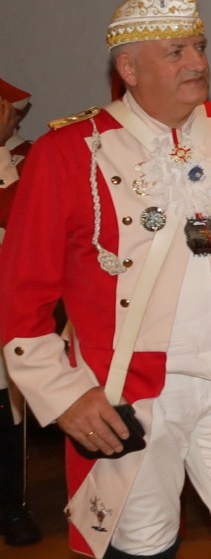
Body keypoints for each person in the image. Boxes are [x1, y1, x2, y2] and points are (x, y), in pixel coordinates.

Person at [0, 0, 211, 559]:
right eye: (175, 52)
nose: (196, 62)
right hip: (129, 392)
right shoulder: (69, 151)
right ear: (128, 69)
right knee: (140, 545)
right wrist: (63, 394)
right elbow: (21, 293)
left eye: (199, 47)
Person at [0, 77, 41, 549]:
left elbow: (13, 212)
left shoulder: (31, 158)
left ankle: (11, 506)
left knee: (4, 411)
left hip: (9, 300)